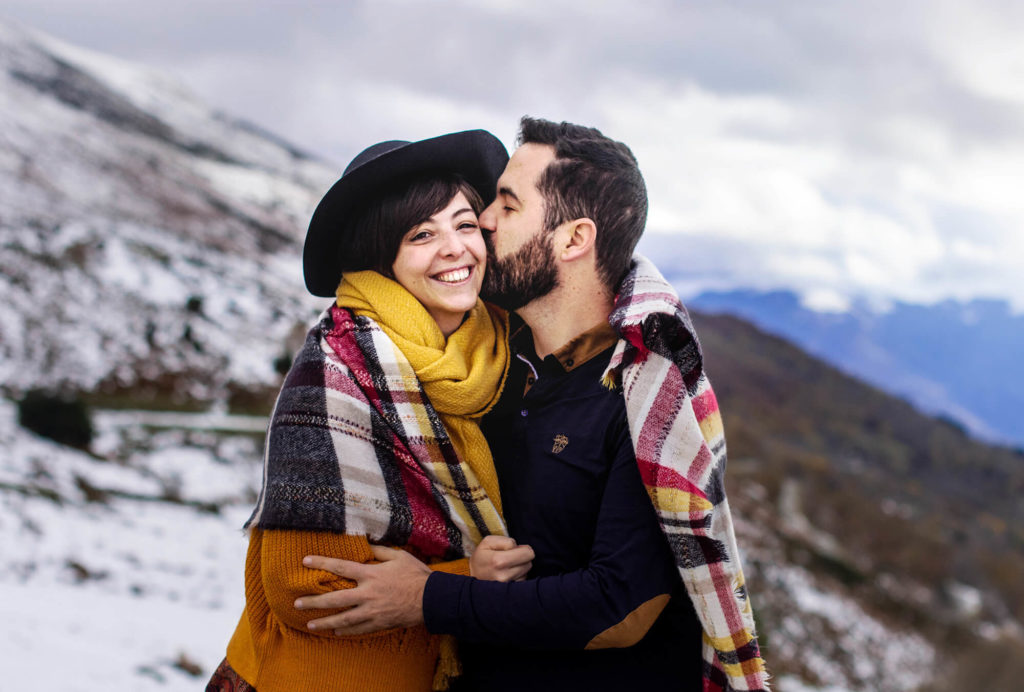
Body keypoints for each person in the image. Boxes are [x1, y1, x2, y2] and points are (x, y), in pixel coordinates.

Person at [295, 118, 770, 692]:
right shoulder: (489, 361)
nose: (484, 221)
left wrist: (427, 596)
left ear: (573, 239)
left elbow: (620, 607)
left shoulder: (642, 395)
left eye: (507, 205)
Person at [207, 130, 532, 692]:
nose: (454, 248)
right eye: (421, 235)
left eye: (464, 223)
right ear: (382, 258)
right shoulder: (335, 369)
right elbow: (298, 587)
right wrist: (463, 580)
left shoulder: (511, 342)